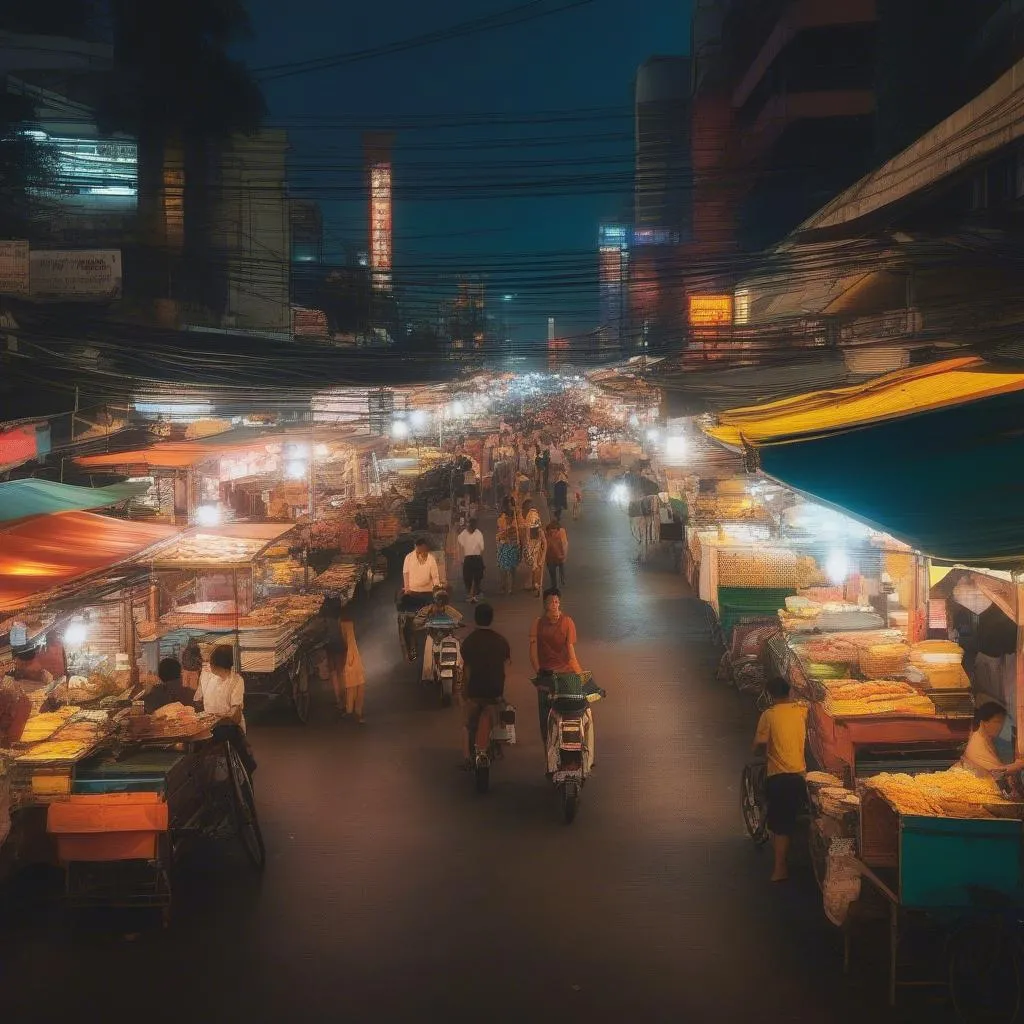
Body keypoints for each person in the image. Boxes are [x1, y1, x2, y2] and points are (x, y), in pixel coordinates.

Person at [752, 677, 809, 882]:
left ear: (769, 695)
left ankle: (779, 869)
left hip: (780, 777)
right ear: (790, 692)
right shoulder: (801, 711)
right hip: (801, 775)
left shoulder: (769, 715)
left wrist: (759, 751)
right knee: (793, 816)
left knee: (780, 826)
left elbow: (759, 744)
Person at [458, 602, 511, 769]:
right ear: (491, 618)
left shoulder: (468, 642)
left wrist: (463, 691)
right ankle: (496, 746)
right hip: (494, 691)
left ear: (475, 619)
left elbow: (466, 669)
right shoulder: (501, 641)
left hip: (475, 690)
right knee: (497, 713)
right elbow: (506, 666)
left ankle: (467, 757)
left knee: (467, 723)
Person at [529, 588, 582, 742]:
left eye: (557, 601)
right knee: (545, 716)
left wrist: (580, 674)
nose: (555, 605)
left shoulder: (567, 622)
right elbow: (533, 652)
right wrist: (539, 672)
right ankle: (548, 744)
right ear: (545, 604)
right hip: (546, 676)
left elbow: (571, 652)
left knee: (573, 711)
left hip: (566, 674)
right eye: (551, 602)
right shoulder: (537, 624)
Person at [196, 644, 257, 775]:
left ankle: (243, 780)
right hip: (210, 725)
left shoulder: (236, 681)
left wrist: (220, 718)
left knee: (229, 737)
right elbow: (198, 700)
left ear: (217, 665)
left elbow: (235, 715)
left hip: (228, 727)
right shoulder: (206, 675)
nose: (208, 665)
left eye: (211, 662)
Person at [400, 537, 442, 661]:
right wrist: (407, 587)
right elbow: (406, 573)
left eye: (423, 551)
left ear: (426, 549)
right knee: (407, 623)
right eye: (419, 551)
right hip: (412, 593)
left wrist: (437, 590)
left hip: (427, 593)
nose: (421, 554)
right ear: (416, 548)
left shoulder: (431, 559)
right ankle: (411, 648)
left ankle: (436, 643)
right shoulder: (408, 558)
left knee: (436, 614)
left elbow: (435, 578)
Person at [413, 588, 464, 683]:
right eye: (439, 600)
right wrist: (425, 624)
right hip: (432, 636)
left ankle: (458, 671)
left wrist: (457, 624)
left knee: (459, 654)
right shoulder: (426, 610)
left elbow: (460, 620)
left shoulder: (450, 610)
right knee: (428, 663)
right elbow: (416, 622)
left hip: (447, 636)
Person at [961, 702, 1024, 778]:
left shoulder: (987, 739)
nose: (1000, 726)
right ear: (984, 722)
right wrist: (1017, 766)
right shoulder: (976, 745)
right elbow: (994, 773)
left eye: (1002, 722)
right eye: (997, 722)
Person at [496, 497, 522, 596]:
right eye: (508, 504)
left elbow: (519, 531)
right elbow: (500, 533)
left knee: (512, 568)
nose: (510, 506)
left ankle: (512, 587)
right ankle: (503, 586)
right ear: (505, 506)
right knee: (503, 568)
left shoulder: (517, 517)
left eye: (512, 504)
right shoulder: (501, 518)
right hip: (503, 545)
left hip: (514, 545)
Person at [457, 517, 486, 603]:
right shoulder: (465, 533)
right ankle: (470, 593)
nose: (470, 528)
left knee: (477, 577)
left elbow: (482, 548)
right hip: (469, 558)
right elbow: (460, 542)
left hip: (476, 557)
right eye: (469, 526)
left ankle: (476, 593)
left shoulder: (478, 533)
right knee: (468, 577)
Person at [521, 501, 547, 596]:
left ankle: (537, 586)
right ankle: (533, 584)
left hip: (537, 552)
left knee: (536, 569)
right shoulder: (531, 529)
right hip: (532, 552)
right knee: (533, 568)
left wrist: (543, 556)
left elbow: (545, 544)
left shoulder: (539, 532)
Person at [544, 516, 568, 590]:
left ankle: (562, 577)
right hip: (550, 558)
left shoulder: (560, 534)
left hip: (558, 556)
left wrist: (563, 555)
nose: (553, 533)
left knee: (560, 566)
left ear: (557, 530)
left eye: (555, 531)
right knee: (552, 572)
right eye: (551, 532)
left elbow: (564, 544)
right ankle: (554, 585)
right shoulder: (546, 536)